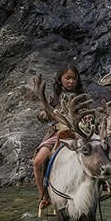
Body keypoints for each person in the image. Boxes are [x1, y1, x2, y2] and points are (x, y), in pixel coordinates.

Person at [33, 64, 85, 208]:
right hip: (57, 134)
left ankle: (101, 184)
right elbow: (41, 115)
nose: (71, 81)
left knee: (93, 154)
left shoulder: (82, 98)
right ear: (60, 80)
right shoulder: (53, 99)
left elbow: (89, 116)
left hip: (78, 134)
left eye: (73, 78)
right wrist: (46, 112)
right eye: (67, 78)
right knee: (38, 161)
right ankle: (44, 195)